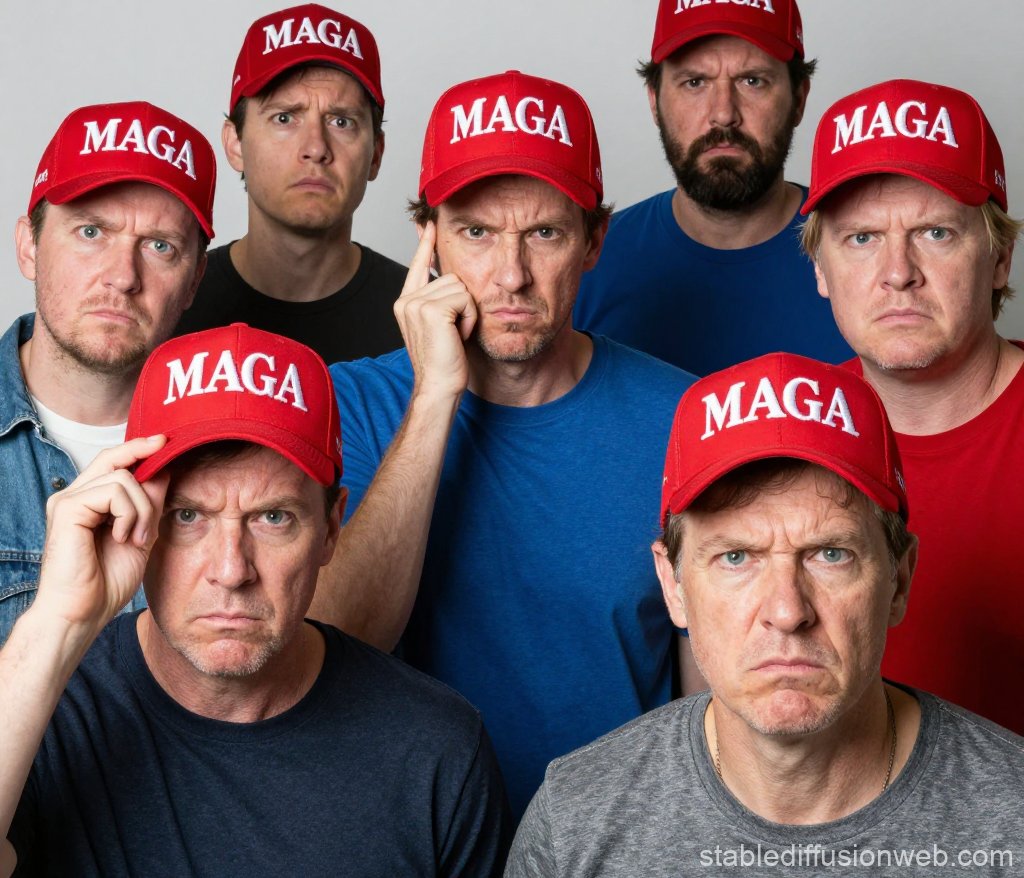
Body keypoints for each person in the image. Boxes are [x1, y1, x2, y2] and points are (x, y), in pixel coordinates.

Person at [310, 70, 695, 821]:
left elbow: (712, 704)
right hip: (401, 843)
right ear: (429, 241)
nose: (511, 275)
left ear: (593, 241)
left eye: (544, 233)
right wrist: (433, 399)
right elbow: (335, 643)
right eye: (477, 233)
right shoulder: (346, 404)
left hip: (615, 845)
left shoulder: (685, 416)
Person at [0, 323, 511, 878]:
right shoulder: (39, 713)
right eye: (188, 516)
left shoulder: (436, 752)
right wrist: (56, 619)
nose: (230, 570)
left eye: (273, 518)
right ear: (133, 521)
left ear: (331, 528)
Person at [506, 352, 1024, 877]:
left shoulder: (1012, 820)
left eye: (831, 554)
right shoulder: (575, 823)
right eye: (736, 557)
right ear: (674, 585)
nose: (786, 611)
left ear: (899, 579)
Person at [800, 78, 1024, 735]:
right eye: (862, 238)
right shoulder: (784, 435)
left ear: (1000, 257)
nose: (899, 271)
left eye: (935, 232)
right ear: (820, 268)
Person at [0, 101, 216, 643]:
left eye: (160, 247)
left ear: (194, 281)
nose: (123, 277)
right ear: (29, 245)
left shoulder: (236, 449)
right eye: (91, 232)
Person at [574, 0, 851, 376]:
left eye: (752, 80)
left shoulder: (873, 260)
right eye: (695, 82)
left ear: (798, 98)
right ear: (654, 102)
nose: (723, 114)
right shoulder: (585, 265)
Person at [174, 3, 406, 363]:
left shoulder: (426, 318)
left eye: (341, 122)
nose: (315, 148)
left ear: (375, 153)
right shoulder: (168, 308)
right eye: (284, 118)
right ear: (235, 144)